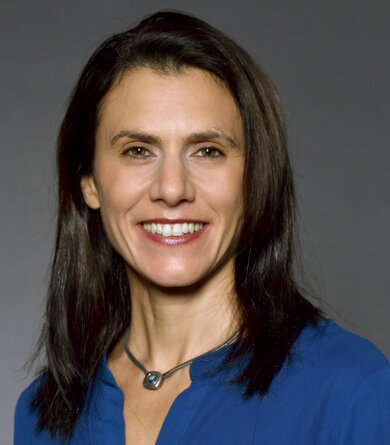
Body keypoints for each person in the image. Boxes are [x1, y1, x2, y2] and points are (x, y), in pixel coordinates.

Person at [14, 10, 389, 445]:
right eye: (138, 150)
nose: (172, 189)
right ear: (90, 183)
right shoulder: (43, 414)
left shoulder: (354, 394)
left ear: (254, 180)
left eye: (207, 151)